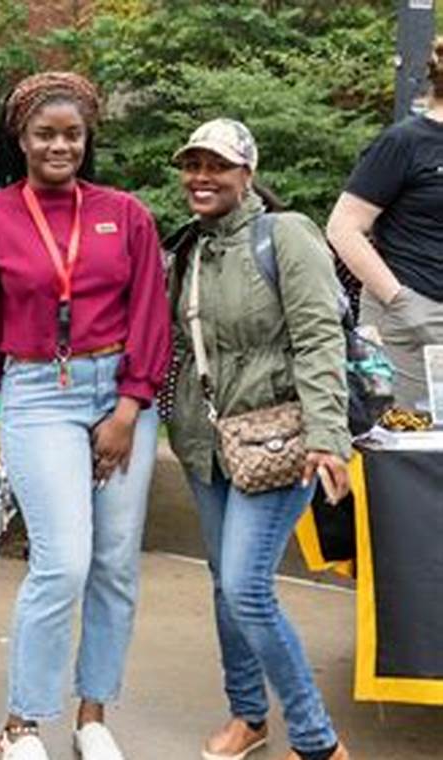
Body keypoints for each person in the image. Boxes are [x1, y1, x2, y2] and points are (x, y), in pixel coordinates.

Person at [0, 71, 170, 760]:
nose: (59, 145)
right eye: (45, 134)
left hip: (121, 389)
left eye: (71, 134)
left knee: (116, 565)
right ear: (21, 138)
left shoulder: (125, 214)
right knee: (63, 562)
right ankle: (20, 725)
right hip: (37, 393)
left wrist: (129, 407)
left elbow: (151, 315)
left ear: (87, 137)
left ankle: (92, 715)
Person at [168, 119, 352, 760]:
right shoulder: (189, 248)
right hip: (205, 442)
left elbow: (321, 339)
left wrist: (329, 436)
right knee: (225, 584)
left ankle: (316, 739)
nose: (201, 177)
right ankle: (248, 715)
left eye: (216, 166)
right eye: (192, 165)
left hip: (280, 440)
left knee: (246, 587)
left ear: (247, 174)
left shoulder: (287, 235)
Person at [327, 37, 443, 411]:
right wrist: (401, 301)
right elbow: (343, 228)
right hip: (407, 319)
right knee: (408, 451)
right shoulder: (404, 142)